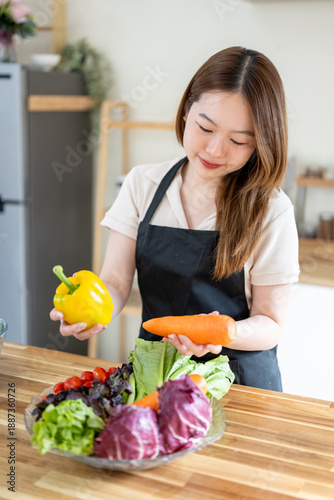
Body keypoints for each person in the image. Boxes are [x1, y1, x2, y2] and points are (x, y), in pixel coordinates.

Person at [50, 46, 300, 391]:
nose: (215, 150)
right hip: (156, 377)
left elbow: (270, 321)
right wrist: (95, 312)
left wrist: (223, 332)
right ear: (186, 112)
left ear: (260, 145)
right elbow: (117, 282)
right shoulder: (143, 184)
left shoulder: (272, 209)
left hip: (242, 387)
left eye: (238, 141)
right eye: (205, 127)